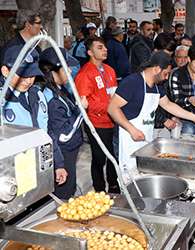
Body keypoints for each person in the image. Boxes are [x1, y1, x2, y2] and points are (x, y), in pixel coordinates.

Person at [107, 51, 195, 181]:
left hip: (144, 138)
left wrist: (194, 117)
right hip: (126, 138)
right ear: (156, 69)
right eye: (165, 74)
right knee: (129, 179)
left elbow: (168, 105)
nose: (166, 78)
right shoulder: (132, 82)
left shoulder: (157, 87)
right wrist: (131, 129)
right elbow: (112, 108)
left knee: (143, 178)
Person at [1, 45, 67, 190]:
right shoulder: (2, 102)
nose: (28, 81)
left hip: (37, 168)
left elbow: (46, 132)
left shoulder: (38, 95)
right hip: (9, 175)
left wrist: (58, 163)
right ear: (5, 71)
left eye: (31, 75)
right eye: (22, 76)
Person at [75, 37, 120, 193]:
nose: (105, 50)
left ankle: (114, 185)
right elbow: (84, 103)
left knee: (114, 156)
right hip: (96, 122)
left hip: (114, 119)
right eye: (100, 47)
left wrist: (117, 107)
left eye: (105, 47)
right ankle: (99, 188)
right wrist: (109, 107)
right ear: (89, 52)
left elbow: (114, 93)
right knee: (99, 157)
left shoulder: (110, 70)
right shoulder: (84, 74)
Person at [39, 47, 83, 199]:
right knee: (63, 194)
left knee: (69, 189)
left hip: (69, 152)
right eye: (66, 68)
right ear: (52, 71)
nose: (70, 72)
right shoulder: (51, 98)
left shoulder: (60, 90)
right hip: (62, 153)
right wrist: (80, 111)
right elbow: (63, 135)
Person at [168, 45, 195, 136]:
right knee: (187, 138)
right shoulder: (177, 74)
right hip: (184, 117)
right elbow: (175, 100)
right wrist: (189, 100)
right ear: (189, 59)